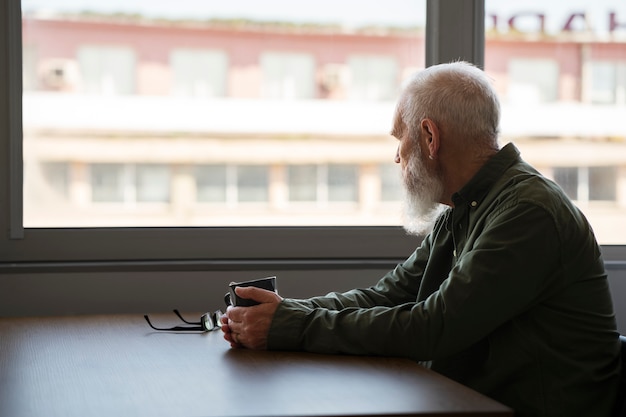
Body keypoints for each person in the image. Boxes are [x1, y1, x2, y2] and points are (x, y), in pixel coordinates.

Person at [220, 61, 621, 417]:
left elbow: (434, 327)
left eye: (400, 138)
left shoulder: (528, 212)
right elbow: (388, 296)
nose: (397, 156)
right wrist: (285, 312)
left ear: (430, 137)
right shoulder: (465, 208)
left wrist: (292, 326)